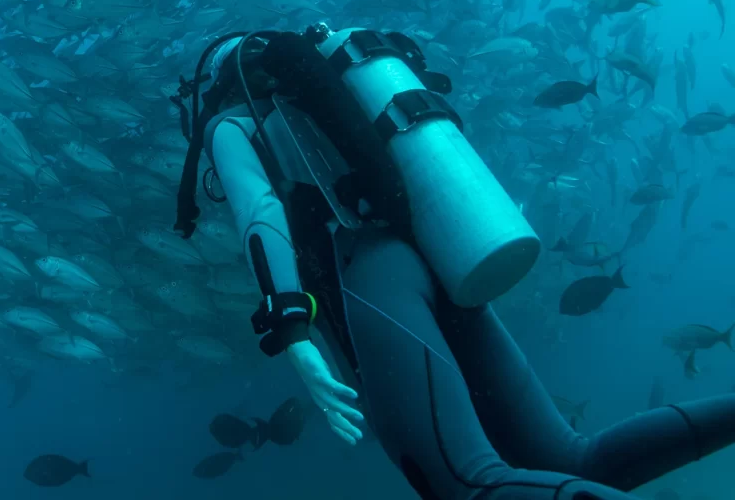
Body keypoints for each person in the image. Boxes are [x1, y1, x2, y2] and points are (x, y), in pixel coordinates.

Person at [170, 25, 735, 500]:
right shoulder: (337, 108)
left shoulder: (232, 125)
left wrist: (292, 332)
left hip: (371, 274)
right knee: (571, 457)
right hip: (438, 259)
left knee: (466, 485)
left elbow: (261, 215)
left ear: (222, 85)